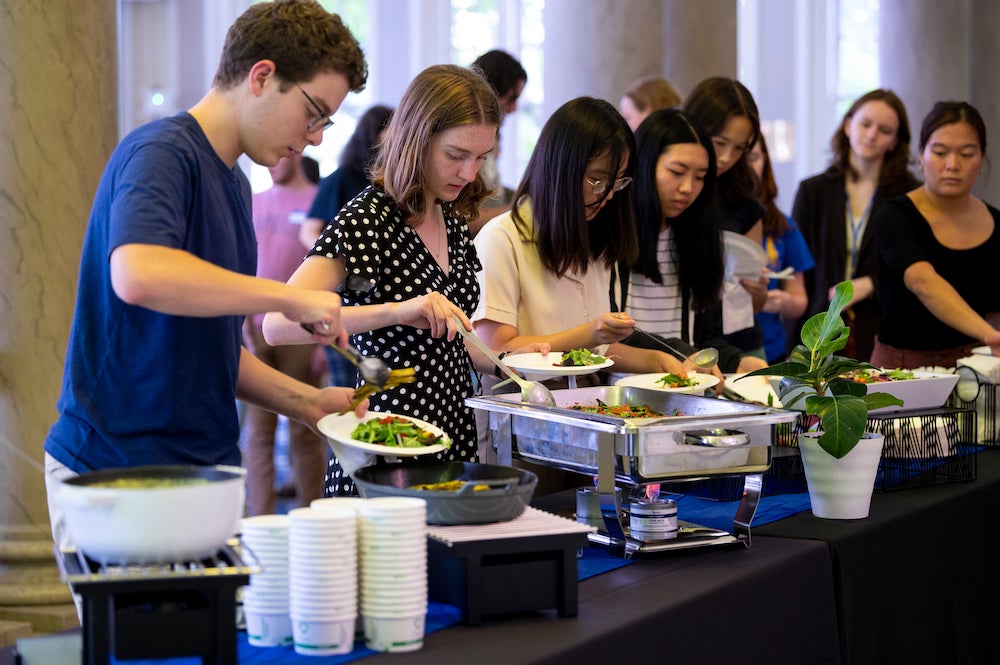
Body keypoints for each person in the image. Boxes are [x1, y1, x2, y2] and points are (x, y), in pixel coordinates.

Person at [43, 0, 369, 541]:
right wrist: (287, 298)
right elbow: (139, 273)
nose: (316, 137)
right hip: (118, 474)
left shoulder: (235, 184)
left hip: (203, 474)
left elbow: (210, 349)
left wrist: (308, 404)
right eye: (314, 113)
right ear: (262, 76)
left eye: (326, 122)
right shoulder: (162, 153)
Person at [264, 64, 521, 496]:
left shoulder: (451, 219)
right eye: (456, 155)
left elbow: (449, 342)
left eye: (482, 158)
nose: (469, 173)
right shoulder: (369, 218)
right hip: (385, 437)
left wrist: (507, 358)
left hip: (451, 433)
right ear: (416, 142)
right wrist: (398, 311)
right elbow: (277, 324)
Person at [625, 108, 764, 375]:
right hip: (618, 392)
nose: (688, 187)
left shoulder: (698, 237)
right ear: (643, 164)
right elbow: (607, 337)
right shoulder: (614, 237)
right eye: (677, 172)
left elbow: (704, 337)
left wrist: (739, 362)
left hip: (684, 390)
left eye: (700, 177)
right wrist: (683, 353)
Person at [792, 89, 919, 361]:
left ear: (895, 141)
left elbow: (918, 269)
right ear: (848, 125)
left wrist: (872, 283)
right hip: (819, 331)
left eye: (884, 130)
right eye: (865, 124)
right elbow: (799, 269)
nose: (872, 135)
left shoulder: (911, 196)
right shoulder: (812, 191)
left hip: (883, 332)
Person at [871, 101, 1000, 369]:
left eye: (966, 154)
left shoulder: (996, 222)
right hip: (901, 369)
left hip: (976, 369)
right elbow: (923, 282)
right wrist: (989, 335)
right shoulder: (894, 215)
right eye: (940, 152)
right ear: (921, 154)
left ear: (982, 157)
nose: (952, 165)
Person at [243, 152, 327, 516]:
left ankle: (313, 519)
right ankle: (259, 525)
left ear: (295, 154)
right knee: (257, 433)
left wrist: (323, 344)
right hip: (253, 325)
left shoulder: (316, 201)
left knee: (305, 427)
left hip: (299, 330)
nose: (271, 164)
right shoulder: (254, 201)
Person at [301, 104, 394, 387]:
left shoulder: (390, 183)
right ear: (371, 136)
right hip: (345, 297)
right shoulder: (341, 178)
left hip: (379, 300)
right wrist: (345, 258)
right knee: (347, 389)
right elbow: (308, 232)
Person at [681, 77, 769, 359]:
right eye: (719, 142)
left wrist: (757, 290)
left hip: (740, 346)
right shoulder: (673, 194)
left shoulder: (743, 201)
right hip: (678, 344)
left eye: (740, 148)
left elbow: (754, 305)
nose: (726, 157)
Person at [746, 134, 813, 363]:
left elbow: (799, 300)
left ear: (765, 161)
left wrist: (783, 301)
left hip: (770, 352)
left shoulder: (782, 226)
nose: (746, 166)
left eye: (754, 157)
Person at [468, 49, 528, 234]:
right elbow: (463, 222)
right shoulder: (469, 141)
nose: (515, 107)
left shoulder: (494, 139)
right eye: (512, 98)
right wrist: (519, 209)